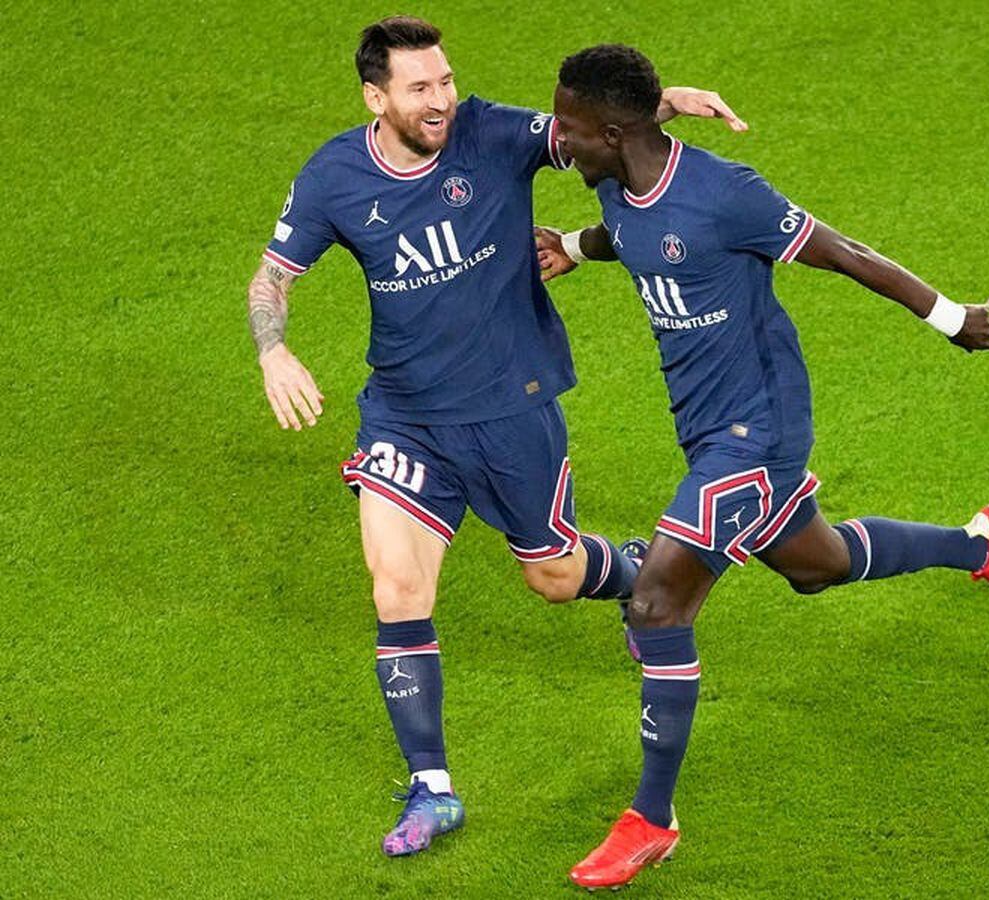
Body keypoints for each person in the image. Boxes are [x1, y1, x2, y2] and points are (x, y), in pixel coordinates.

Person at [535, 44, 989, 890]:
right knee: (817, 565)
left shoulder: (726, 194)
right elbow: (634, 235)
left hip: (758, 430)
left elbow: (842, 250)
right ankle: (982, 545)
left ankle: (650, 820)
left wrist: (952, 318)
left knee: (657, 604)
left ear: (614, 131)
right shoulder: (613, 184)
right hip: (704, 430)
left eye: (569, 127)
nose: (557, 140)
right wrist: (576, 252)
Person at [245, 17, 747, 857]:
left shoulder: (490, 132)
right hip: (404, 414)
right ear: (377, 97)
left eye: (443, 81)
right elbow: (274, 274)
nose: (440, 100)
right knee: (396, 591)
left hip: (511, 408)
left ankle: (628, 578)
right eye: (419, 89)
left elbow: (584, 131)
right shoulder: (334, 176)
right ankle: (432, 788)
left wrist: (662, 104)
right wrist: (273, 349)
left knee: (550, 574)